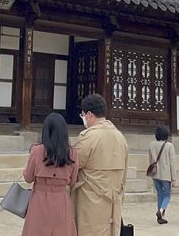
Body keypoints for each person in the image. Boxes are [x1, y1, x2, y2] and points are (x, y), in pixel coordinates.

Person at [72, 94, 129, 236]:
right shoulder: (121, 138)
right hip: (113, 204)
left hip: (90, 204)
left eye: (83, 115)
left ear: (89, 115)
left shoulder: (88, 137)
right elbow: (124, 175)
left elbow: (73, 166)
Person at [22, 112, 78, 236]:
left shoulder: (36, 150)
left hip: (39, 199)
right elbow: (73, 181)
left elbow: (28, 178)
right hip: (61, 199)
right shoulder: (72, 153)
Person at [149, 124, 176, 224]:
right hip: (166, 175)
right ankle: (161, 211)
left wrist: (151, 172)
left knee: (159, 194)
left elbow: (150, 160)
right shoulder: (169, 146)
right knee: (167, 194)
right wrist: (174, 178)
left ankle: (160, 217)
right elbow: (172, 163)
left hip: (155, 174)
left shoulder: (151, 144)